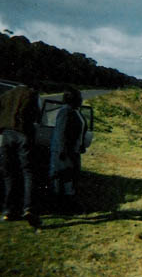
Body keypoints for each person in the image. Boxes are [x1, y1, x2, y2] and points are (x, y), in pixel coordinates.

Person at [0, 85, 41, 227]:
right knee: (28, 172)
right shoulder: (32, 94)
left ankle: (8, 211)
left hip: (6, 134)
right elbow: (37, 116)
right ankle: (28, 208)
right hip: (24, 134)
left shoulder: (8, 94)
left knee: (8, 173)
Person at [49, 87, 87, 212]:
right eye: (80, 98)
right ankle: (63, 207)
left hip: (72, 151)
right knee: (64, 178)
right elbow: (61, 133)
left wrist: (81, 145)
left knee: (70, 178)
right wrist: (61, 151)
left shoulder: (75, 111)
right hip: (65, 152)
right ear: (73, 99)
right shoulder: (65, 111)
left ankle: (67, 206)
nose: (82, 100)